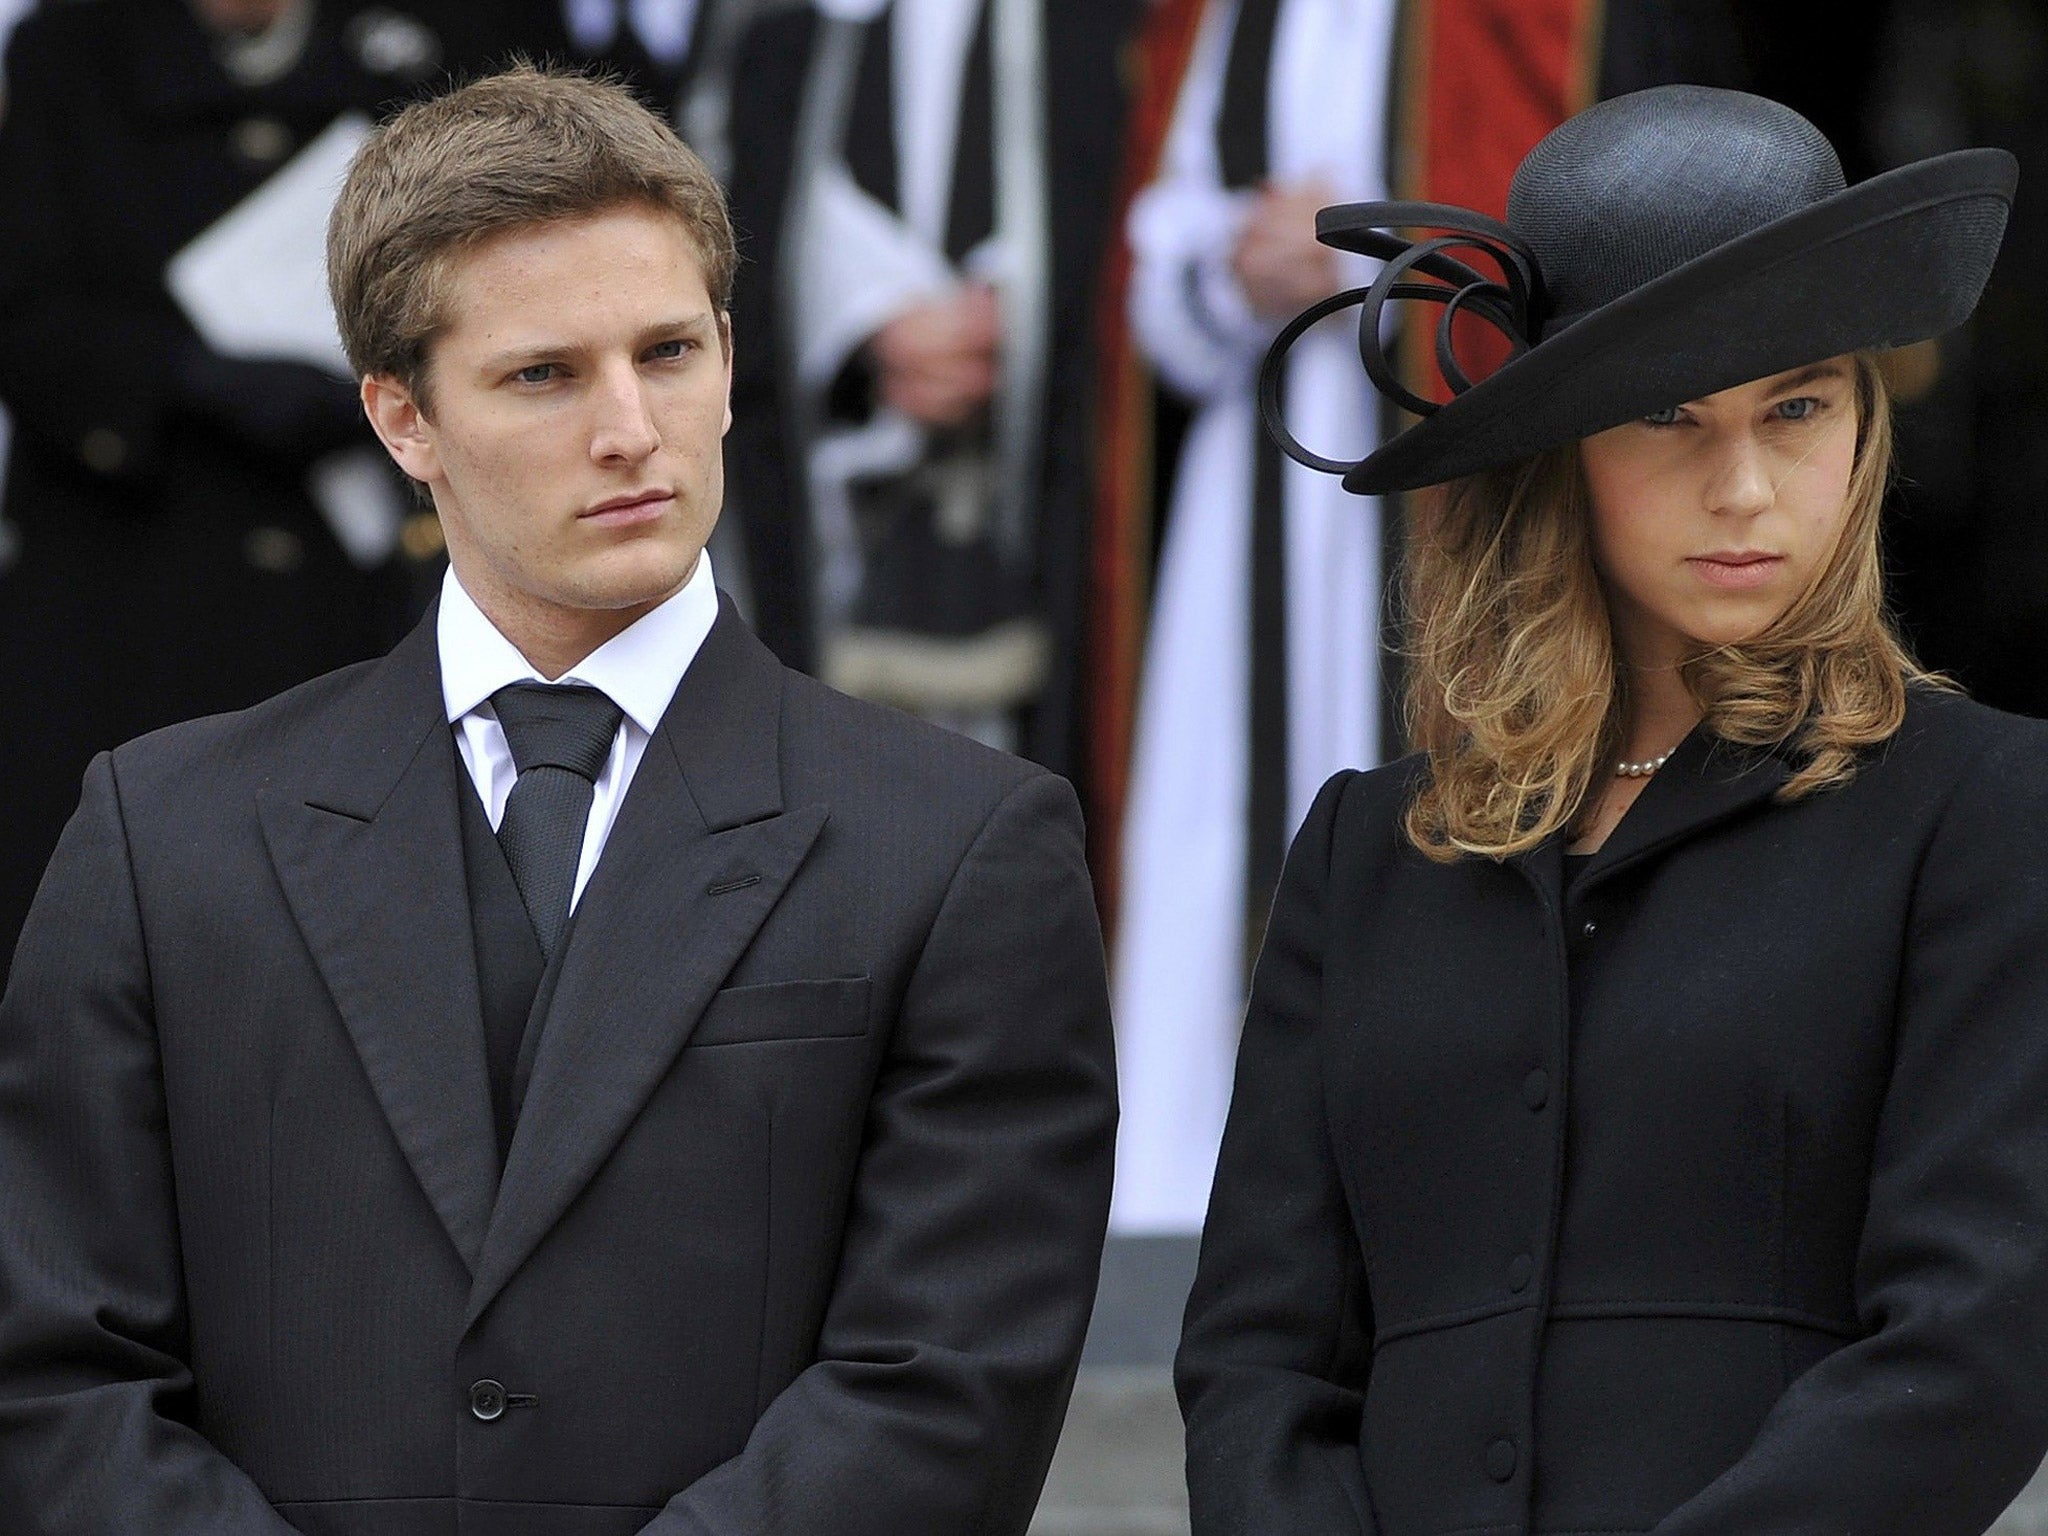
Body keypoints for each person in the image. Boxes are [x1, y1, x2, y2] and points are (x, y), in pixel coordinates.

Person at [0, 66, 1116, 1534]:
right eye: (544, 373)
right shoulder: (162, 836)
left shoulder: (967, 844)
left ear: (730, 353)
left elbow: (945, 1391)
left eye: (667, 351)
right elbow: (55, 1378)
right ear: (404, 419)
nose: (630, 428)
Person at [1177, 85, 2048, 1535]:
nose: (1747, 487)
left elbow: (1973, 1346)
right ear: (1561, 447)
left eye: (1799, 405)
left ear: (1861, 422)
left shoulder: (1985, 809)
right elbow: (1259, 1362)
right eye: (1669, 416)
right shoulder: (1369, 852)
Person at [0, 0, 538, 985]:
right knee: (115, 966)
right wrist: (188, 382)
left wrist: (410, 390)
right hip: (130, 591)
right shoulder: (69, 50)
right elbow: (27, 311)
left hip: (374, 586)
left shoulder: (452, 34)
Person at [720, 0, 1135, 764]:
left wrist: (1022, 307)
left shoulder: (1108, 29)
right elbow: (739, 239)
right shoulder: (783, 37)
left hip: (1046, 491)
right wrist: (862, 319)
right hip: (843, 523)